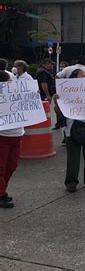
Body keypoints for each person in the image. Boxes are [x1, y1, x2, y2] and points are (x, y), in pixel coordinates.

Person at [56, 69, 85, 192]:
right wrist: (57, 100)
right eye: (83, 76)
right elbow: (59, 112)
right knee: (73, 159)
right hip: (72, 128)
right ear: (74, 79)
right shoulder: (67, 92)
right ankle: (71, 182)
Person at [0, 71, 25, 208]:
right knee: (1, 167)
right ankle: (1, 194)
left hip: (17, 134)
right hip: (2, 136)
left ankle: (2, 190)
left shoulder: (16, 93)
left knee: (12, 166)